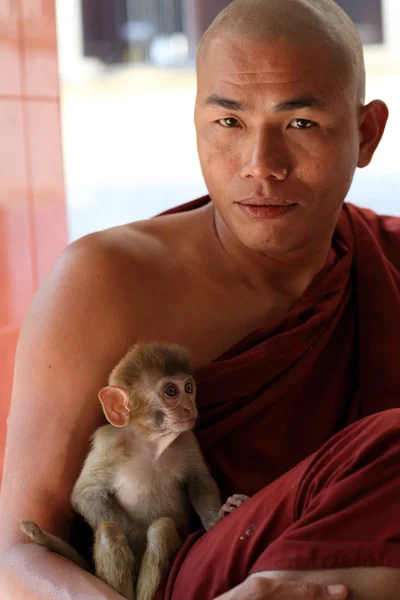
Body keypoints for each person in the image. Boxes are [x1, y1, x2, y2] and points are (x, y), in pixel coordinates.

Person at [0, 0, 399, 598]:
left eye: (300, 124)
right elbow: (16, 559)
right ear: (196, 124)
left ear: (366, 133)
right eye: (229, 123)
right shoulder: (103, 280)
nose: (261, 166)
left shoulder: (386, 260)